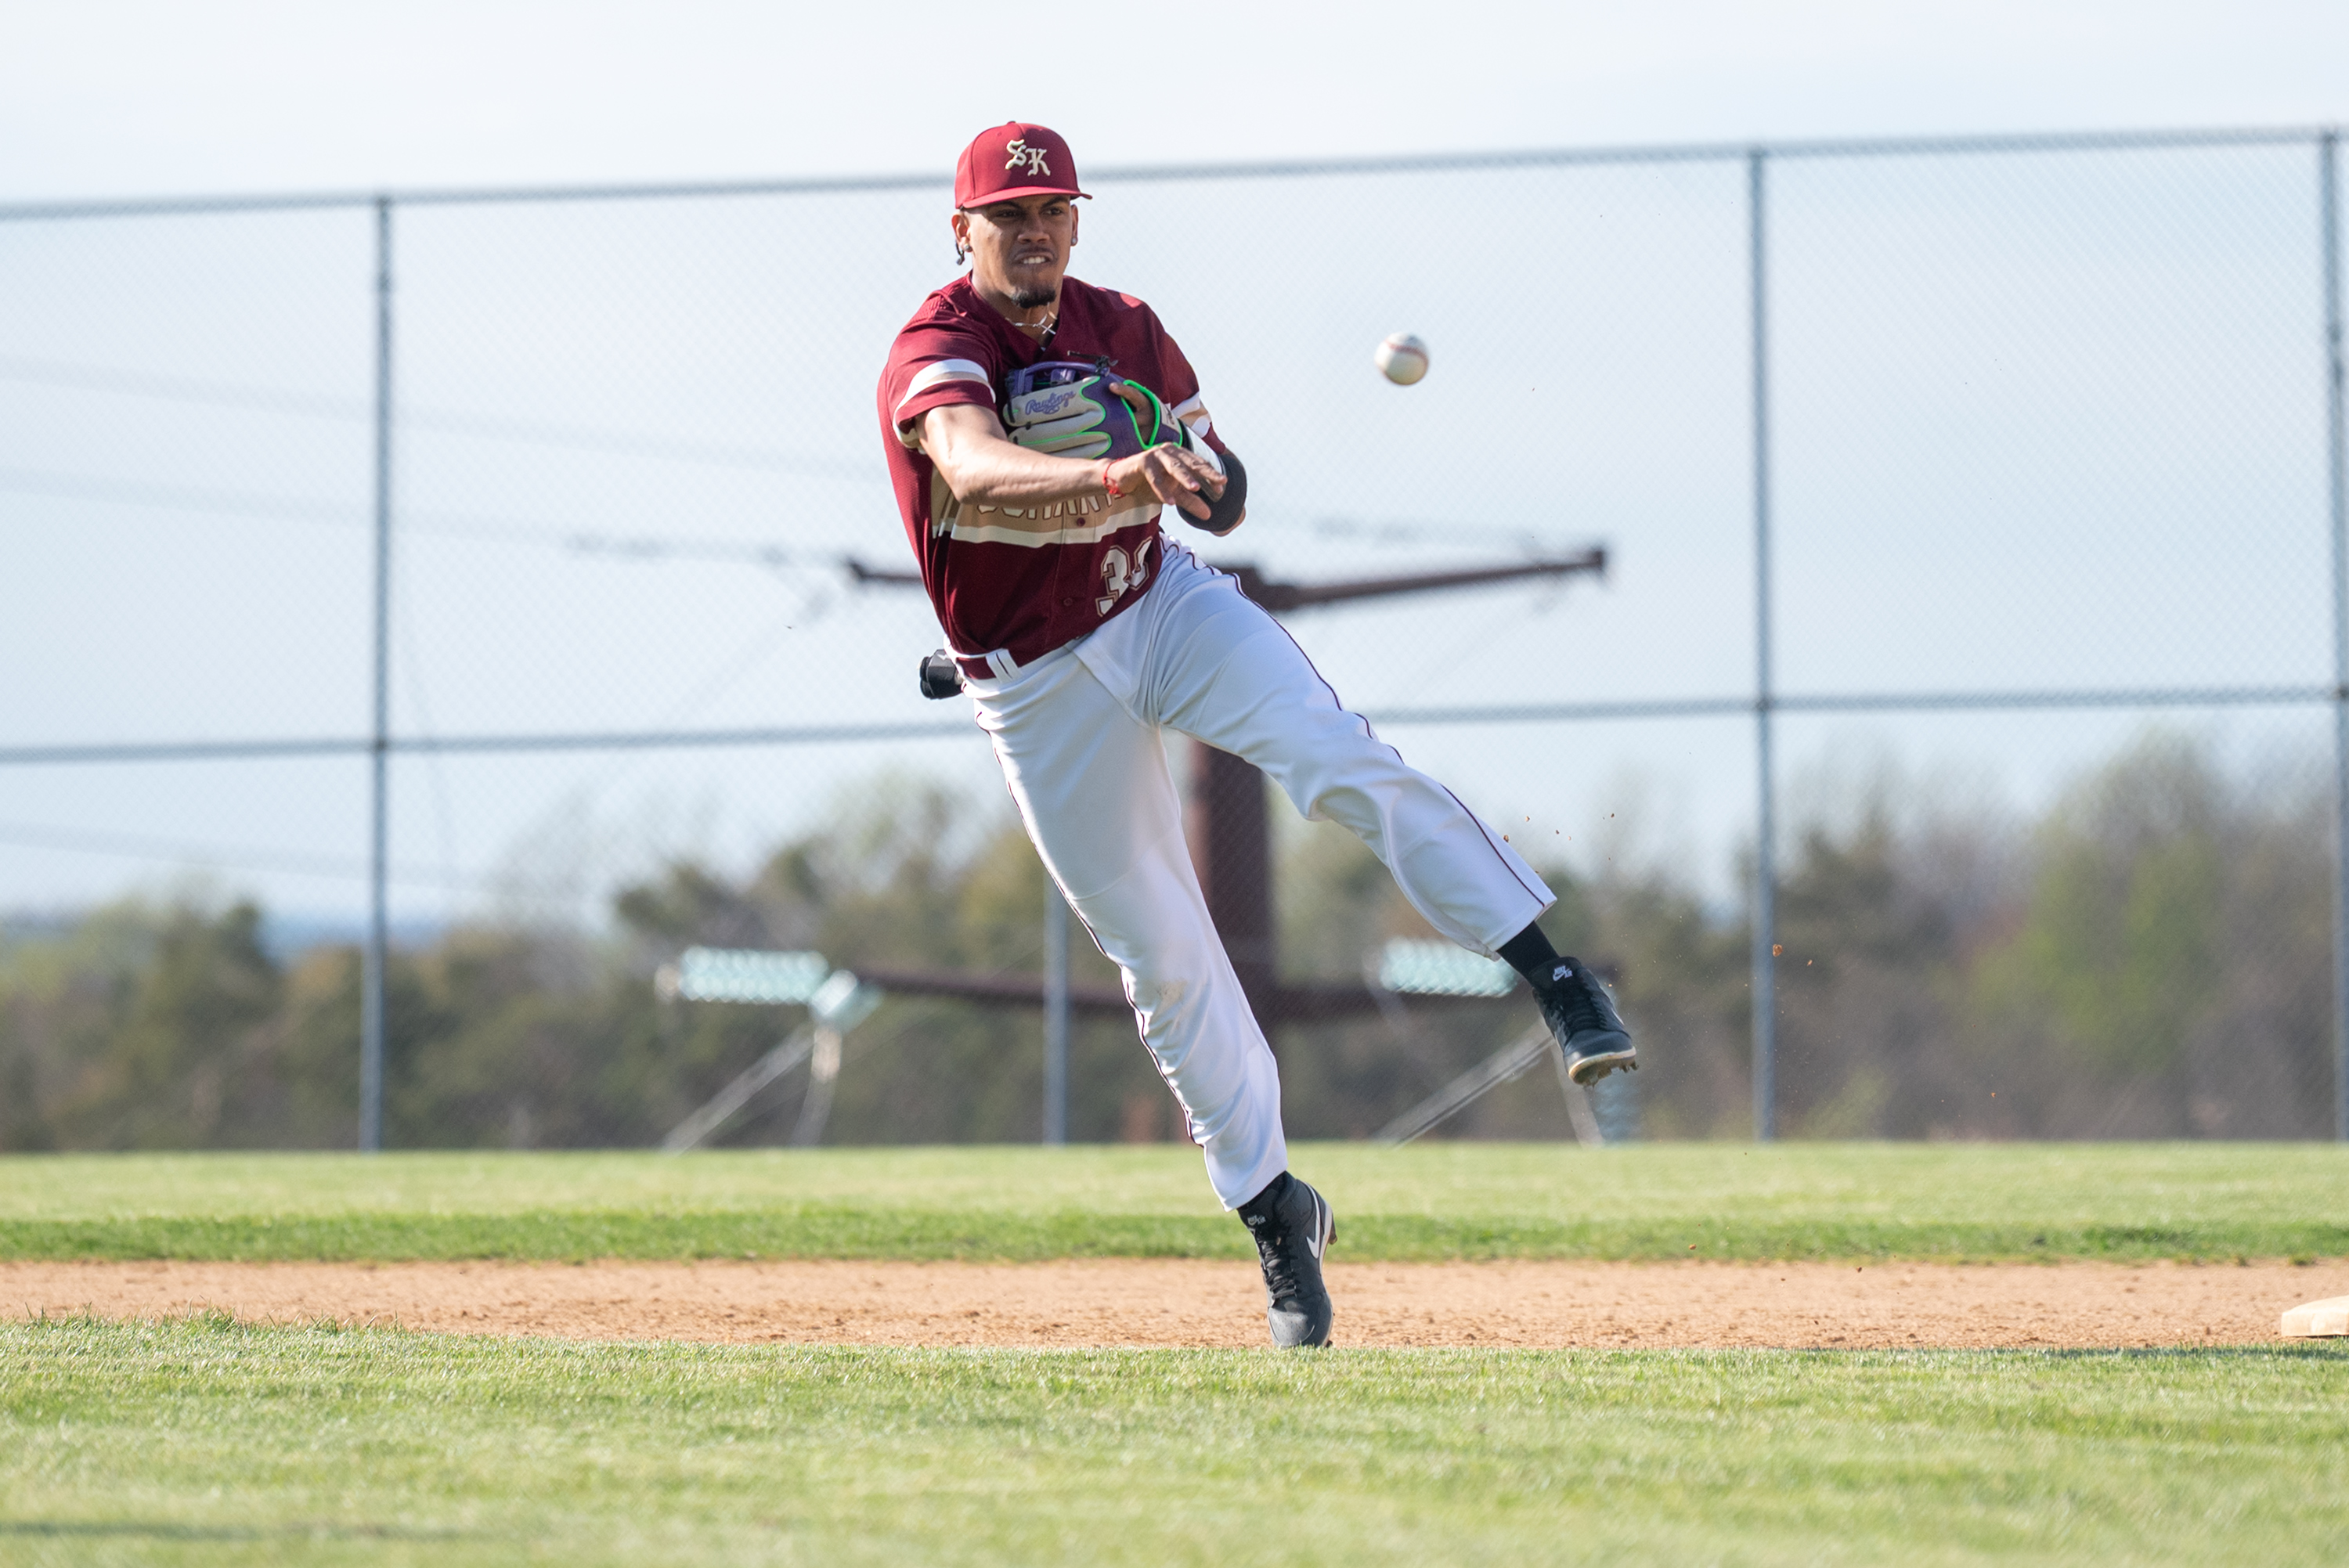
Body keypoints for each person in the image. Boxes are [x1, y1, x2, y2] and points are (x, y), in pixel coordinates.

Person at [876, 122, 1634, 1348]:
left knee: (1339, 759)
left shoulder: (1125, 327)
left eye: (1052, 211)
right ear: (959, 231)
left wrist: (1201, 480)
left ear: (1077, 222)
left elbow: (1223, 487)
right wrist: (1120, 482)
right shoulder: (936, 348)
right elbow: (967, 471)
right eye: (1007, 216)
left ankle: (1556, 977)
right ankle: (1278, 1212)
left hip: (1154, 602)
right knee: (1165, 958)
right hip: (1034, 683)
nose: (1033, 232)